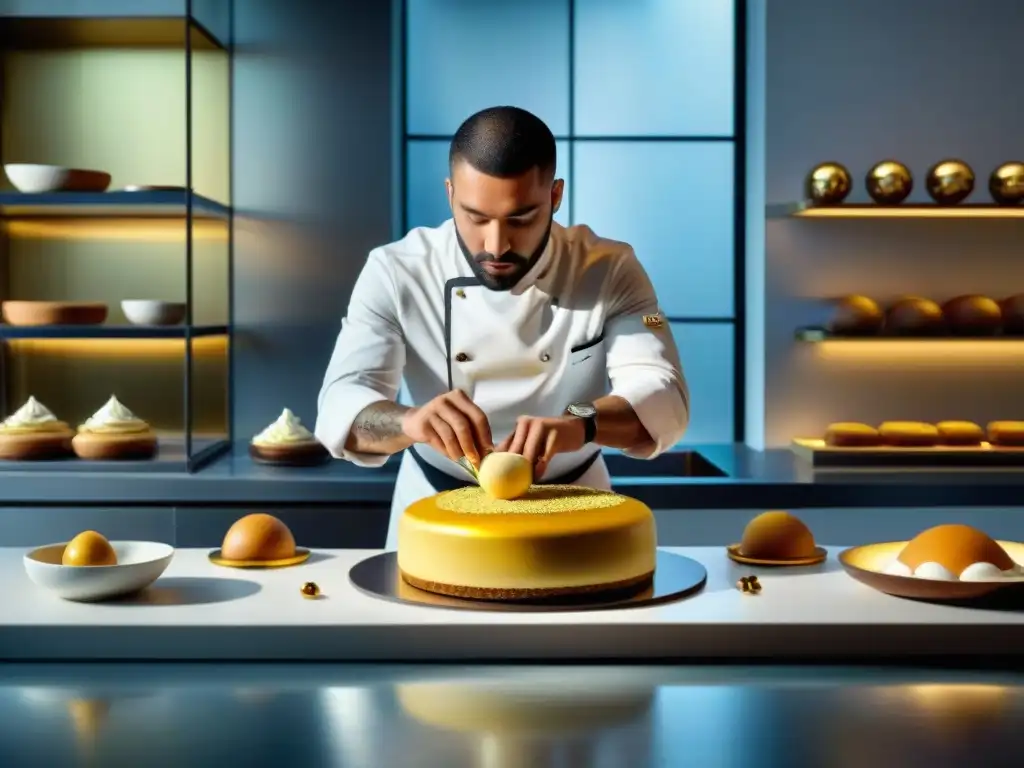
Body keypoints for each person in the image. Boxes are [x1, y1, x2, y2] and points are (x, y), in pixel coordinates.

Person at [316, 106, 690, 549]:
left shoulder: (609, 268)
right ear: (450, 193)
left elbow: (663, 393)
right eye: (475, 217)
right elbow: (342, 404)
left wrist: (580, 421)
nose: (497, 245)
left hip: (577, 504)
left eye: (520, 219)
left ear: (555, 196)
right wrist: (413, 420)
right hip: (435, 506)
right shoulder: (396, 271)